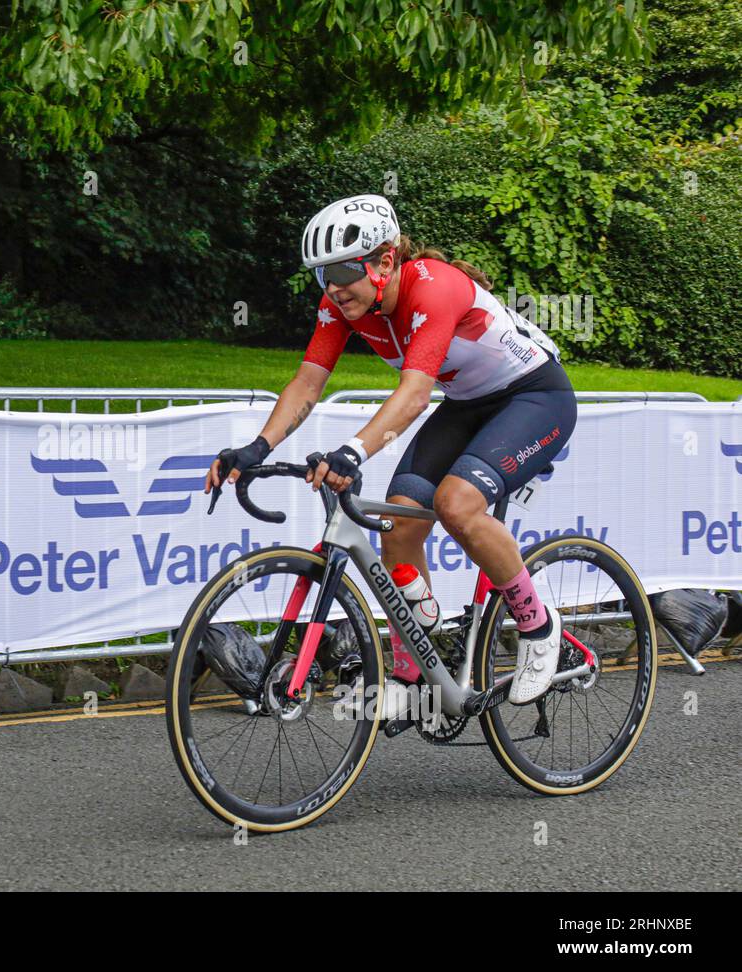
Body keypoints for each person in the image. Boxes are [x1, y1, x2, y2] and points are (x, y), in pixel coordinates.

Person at [206, 193, 577, 712]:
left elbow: (415, 394)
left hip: (535, 398)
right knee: (399, 524)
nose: (332, 288)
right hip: (468, 404)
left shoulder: (433, 285)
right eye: (321, 277)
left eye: (340, 271)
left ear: (384, 260)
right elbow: (308, 383)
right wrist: (256, 447)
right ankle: (411, 673)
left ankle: (538, 626)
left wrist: (353, 452)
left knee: (456, 505)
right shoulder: (342, 305)